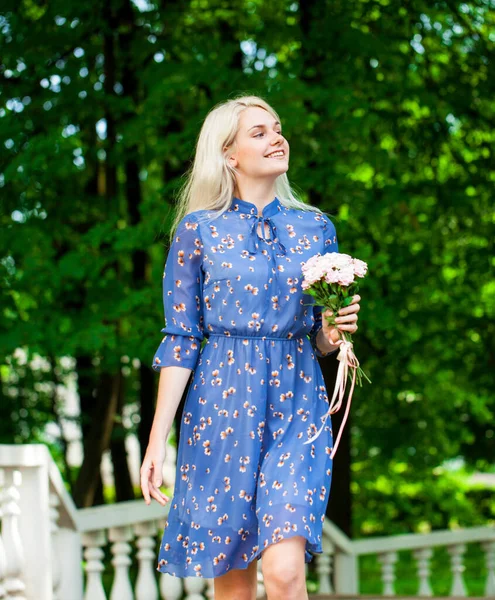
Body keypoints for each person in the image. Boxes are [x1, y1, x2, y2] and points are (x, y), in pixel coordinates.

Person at [140, 95, 360, 600]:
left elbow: (319, 337)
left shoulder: (317, 228)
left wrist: (332, 335)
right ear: (228, 155)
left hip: (298, 404)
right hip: (219, 409)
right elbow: (180, 338)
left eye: (277, 128)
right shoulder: (197, 231)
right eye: (258, 132)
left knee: (284, 570)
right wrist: (157, 441)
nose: (276, 137)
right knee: (234, 584)